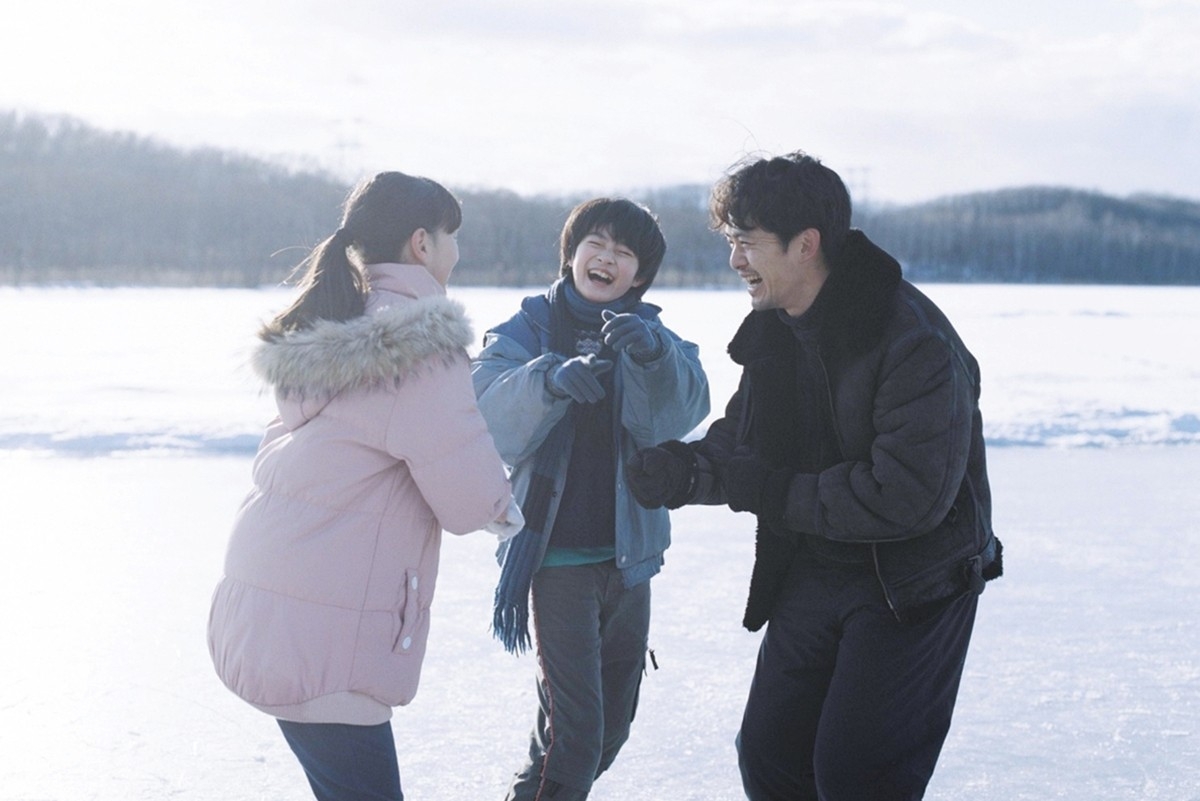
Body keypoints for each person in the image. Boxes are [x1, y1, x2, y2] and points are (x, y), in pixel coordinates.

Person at [625, 151, 1004, 800]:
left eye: (747, 242)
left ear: (806, 244)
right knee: (770, 757)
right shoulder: (778, 326)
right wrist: (685, 472)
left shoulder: (914, 342)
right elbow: (747, 440)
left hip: (912, 582)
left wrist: (771, 493)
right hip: (817, 564)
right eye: (730, 241)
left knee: (857, 774)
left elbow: (906, 497)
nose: (734, 260)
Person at [207, 171, 521, 801]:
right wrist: (509, 511)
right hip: (327, 641)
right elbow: (466, 491)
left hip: (267, 610)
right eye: (452, 236)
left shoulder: (334, 322)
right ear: (422, 244)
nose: (457, 252)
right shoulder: (418, 343)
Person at [472, 197, 710, 800]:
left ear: (640, 275)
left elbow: (680, 414)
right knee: (576, 739)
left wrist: (652, 356)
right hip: (554, 560)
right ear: (571, 254)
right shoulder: (526, 328)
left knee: (607, 730)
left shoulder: (654, 337)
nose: (606, 258)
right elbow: (485, 414)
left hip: (629, 562)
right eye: (595, 244)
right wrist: (548, 380)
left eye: (623, 252)